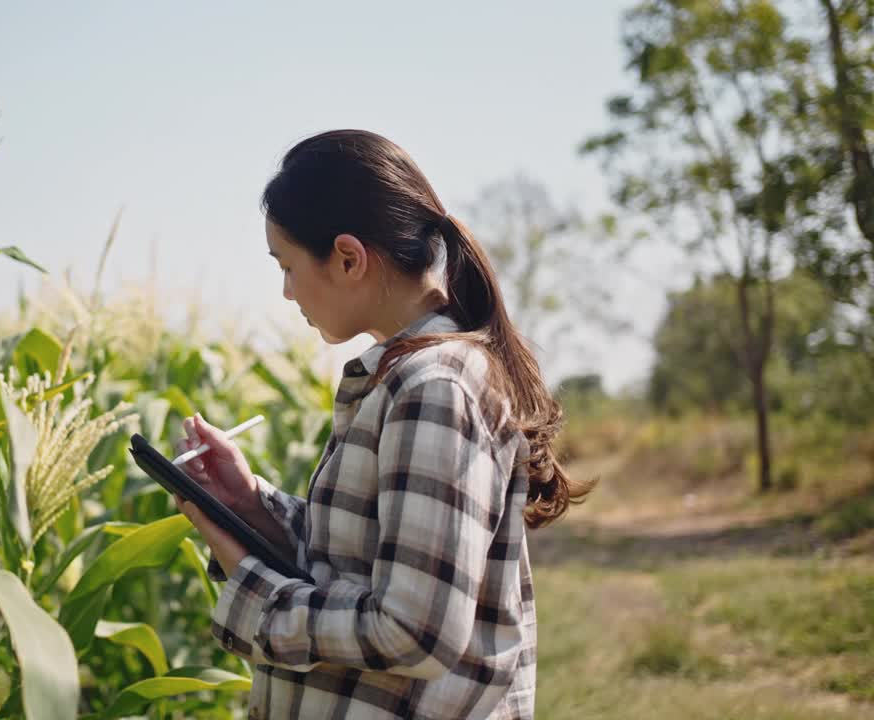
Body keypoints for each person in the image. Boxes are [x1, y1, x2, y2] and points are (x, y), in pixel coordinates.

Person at [172, 129, 593, 719]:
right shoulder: (410, 379)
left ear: (348, 257)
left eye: (288, 266)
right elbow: (359, 562)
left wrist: (255, 594)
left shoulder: (433, 390)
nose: (287, 292)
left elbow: (413, 630)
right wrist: (249, 504)